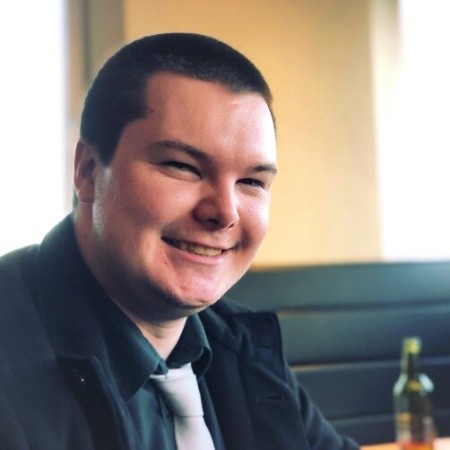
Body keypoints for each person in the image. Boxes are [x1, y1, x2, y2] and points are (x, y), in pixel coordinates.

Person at [0, 33, 359, 450]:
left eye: (251, 181)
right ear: (88, 172)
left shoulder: (243, 350)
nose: (224, 212)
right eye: (183, 166)